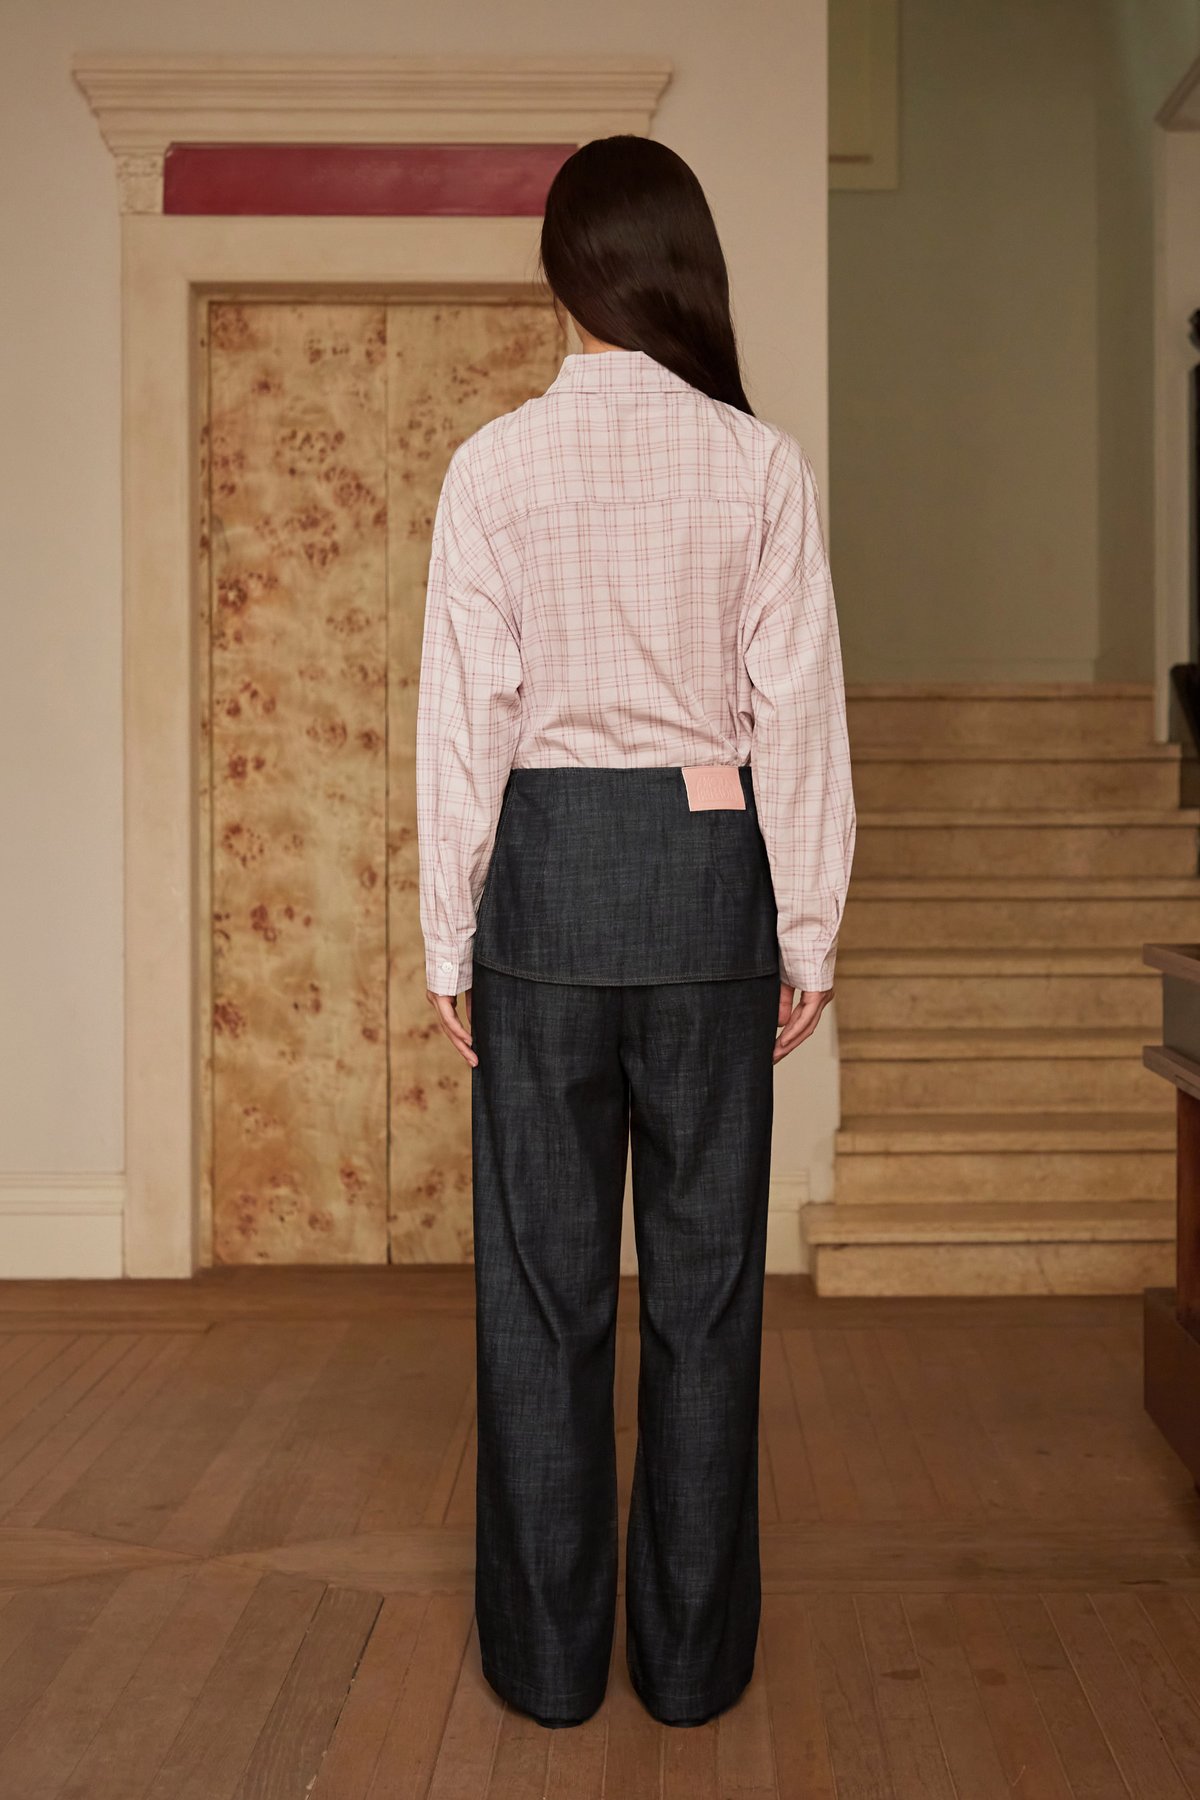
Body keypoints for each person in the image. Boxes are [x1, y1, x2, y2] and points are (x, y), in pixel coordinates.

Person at [415, 133, 856, 1730]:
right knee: (707, 1297)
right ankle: (690, 1666)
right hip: (708, 888)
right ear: (686, 269)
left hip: (541, 895)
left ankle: (546, 1671)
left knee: (541, 1301)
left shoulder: (492, 468)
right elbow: (795, 716)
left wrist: (446, 933)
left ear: (563, 275)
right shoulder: (760, 466)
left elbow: (464, 721)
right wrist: (807, 927)